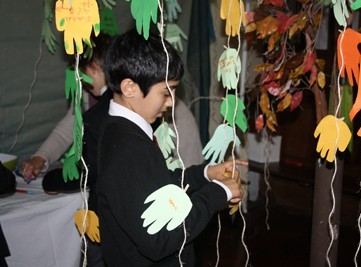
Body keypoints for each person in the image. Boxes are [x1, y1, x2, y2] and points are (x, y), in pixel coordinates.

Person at [96, 28, 246, 266]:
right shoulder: (126, 149)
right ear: (129, 88)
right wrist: (217, 194)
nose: (172, 101)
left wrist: (205, 174)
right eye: (166, 92)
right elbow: (159, 240)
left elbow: (158, 188)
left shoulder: (126, 133)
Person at [20, 33, 114, 193]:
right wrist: (41, 158)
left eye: (81, 73)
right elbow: (67, 130)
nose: (80, 80)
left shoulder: (114, 103)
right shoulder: (88, 94)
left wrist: (53, 180)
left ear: (92, 68)